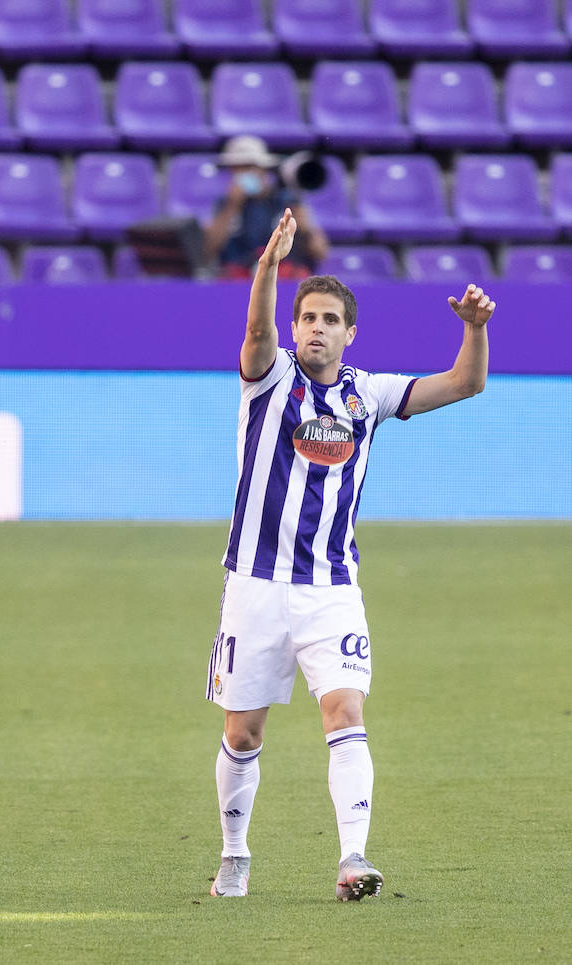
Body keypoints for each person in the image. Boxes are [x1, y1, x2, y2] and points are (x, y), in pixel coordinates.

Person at [206, 208, 493, 900]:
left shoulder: (369, 393)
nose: (315, 328)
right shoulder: (267, 377)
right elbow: (254, 331)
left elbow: (464, 383)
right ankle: (235, 853)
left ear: (349, 331)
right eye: (307, 317)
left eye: (330, 319)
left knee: (345, 712)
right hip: (255, 586)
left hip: (332, 588)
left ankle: (353, 858)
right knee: (243, 733)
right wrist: (269, 268)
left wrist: (475, 330)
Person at [204, 135, 329, 280]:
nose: (244, 173)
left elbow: (320, 253)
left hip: (282, 280)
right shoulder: (224, 204)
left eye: (249, 167)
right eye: (237, 168)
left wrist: (306, 229)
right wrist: (232, 206)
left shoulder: (287, 201)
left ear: (263, 169)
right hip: (237, 282)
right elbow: (208, 251)